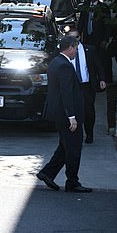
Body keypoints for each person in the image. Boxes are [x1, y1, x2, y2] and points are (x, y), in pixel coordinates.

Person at [37, 36, 92, 193]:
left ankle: (47, 173)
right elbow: (66, 92)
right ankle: (72, 182)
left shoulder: (56, 62)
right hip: (66, 115)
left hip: (61, 114)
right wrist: (72, 116)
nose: (76, 51)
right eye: (75, 48)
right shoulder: (64, 66)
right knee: (73, 148)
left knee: (65, 146)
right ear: (70, 47)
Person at [67, 28, 106, 144]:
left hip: (87, 85)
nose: (74, 39)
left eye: (77, 37)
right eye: (71, 37)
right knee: (72, 110)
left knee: (89, 111)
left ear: (80, 37)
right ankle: (74, 134)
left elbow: (98, 65)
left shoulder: (90, 49)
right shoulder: (65, 50)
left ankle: (89, 133)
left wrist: (102, 79)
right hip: (72, 86)